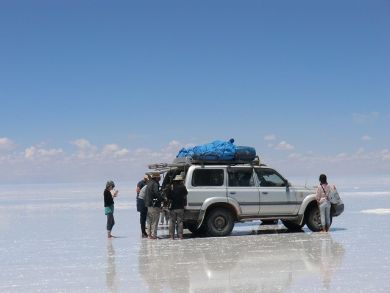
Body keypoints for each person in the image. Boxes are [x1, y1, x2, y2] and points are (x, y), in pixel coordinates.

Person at [167, 175, 188, 240]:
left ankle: (171, 236)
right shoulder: (183, 187)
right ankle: (180, 236)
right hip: (180, 207)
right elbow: (186, 193)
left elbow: (168, 196)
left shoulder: (172, 187)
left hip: (172, 207)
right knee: (180, 222)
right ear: (181, 181)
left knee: (172, 222)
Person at [144, 172, 163, 239]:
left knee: (149, 220)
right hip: (154, 205)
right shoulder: (155, 184)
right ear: (156, 177)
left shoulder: (149, 183)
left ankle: (149, 235)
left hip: (148, 204)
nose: (160, 178)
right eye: (159, 177)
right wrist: (162, 199)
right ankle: (153, 235)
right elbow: (157, 193)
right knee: (155, 220)